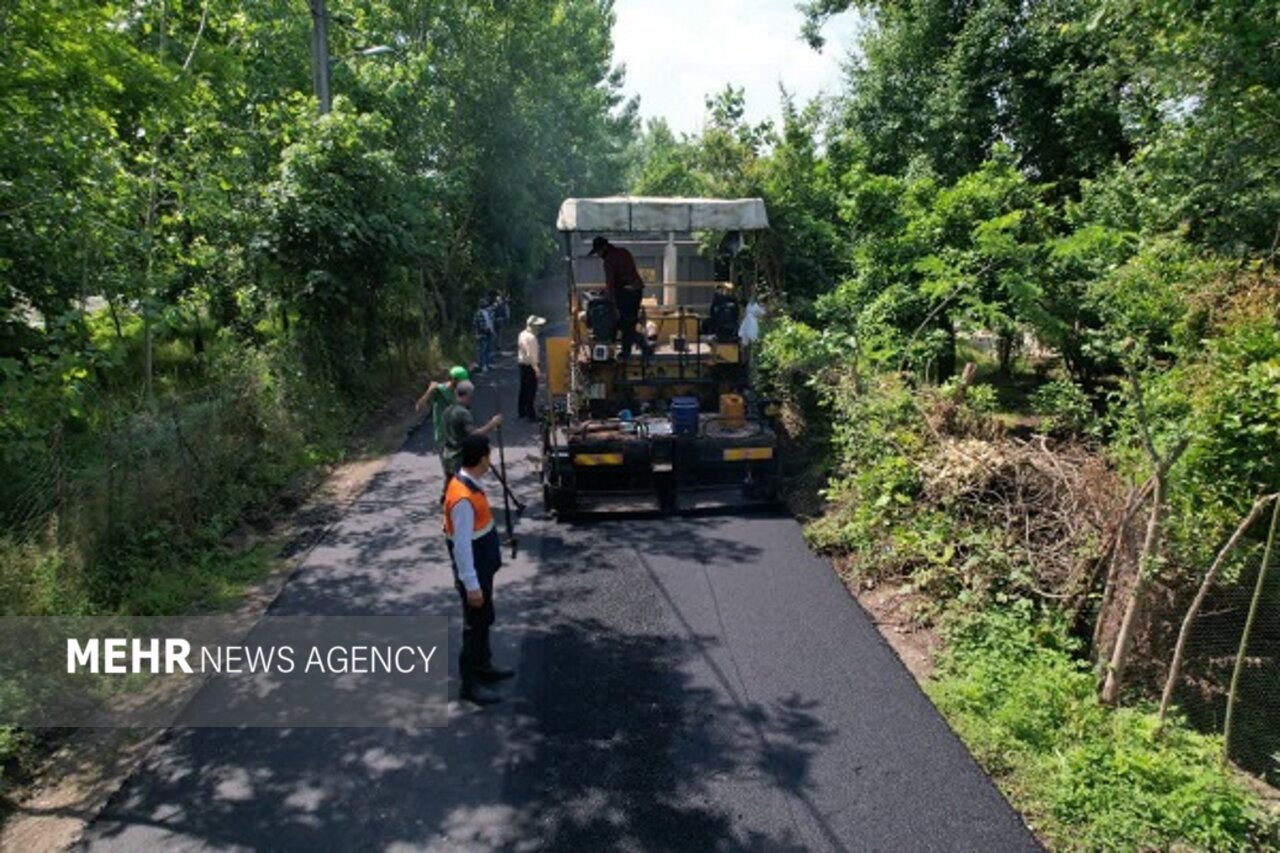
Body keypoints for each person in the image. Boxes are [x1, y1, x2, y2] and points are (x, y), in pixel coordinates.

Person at [443, 434, 515, 705]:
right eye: (488, 455)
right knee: (474, 627)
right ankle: (469, 685)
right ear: (482, 458)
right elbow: (461, 547)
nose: (490, 460)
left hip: (482, 568)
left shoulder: (468, 483)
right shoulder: (462, 498)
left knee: (484, 620)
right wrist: (471, 584)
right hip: (474, 573)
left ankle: (485, 667)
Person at [587, 236, 646, 360]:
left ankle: (629, 351)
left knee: (622, 322)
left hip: (626, 293)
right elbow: (626, 274)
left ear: (603, 248)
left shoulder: (609, 260)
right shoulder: (624, 251)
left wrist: (607, 297)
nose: (598, 255)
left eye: (598, 252)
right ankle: (640, 344)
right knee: (629, 321)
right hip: (636, 290)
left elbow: (611, 282)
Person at [441, 381, 502, 499]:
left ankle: (447, 502)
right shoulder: (463, 413)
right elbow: (474, 435)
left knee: (450, 482)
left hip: (447, 454)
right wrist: (493, 423)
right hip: (459, 456)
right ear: (467, 395)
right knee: (464, 486)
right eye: (471, 396)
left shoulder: (447, 411)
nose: (472, 399)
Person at [414, 365, 469, 463]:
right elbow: (419, 407)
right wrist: (429, 391)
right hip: (443, 438)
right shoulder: (439, 391)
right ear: (453, 380)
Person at [517, 315, 546, 421]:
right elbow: (531, 355)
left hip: (522, 364)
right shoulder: (532, 338)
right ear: (533, 326)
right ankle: (531, 414)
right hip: (530, 365)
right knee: (531, 390)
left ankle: (521, 411)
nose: (540, 328)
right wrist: (537, 370)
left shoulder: (522, 334)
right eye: (538, 326)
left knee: (523, 388)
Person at [473, 297, 495, 372]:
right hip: (482, 334)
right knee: (483, 350)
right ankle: (483, 365)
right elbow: (476, 324)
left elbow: (490, 322)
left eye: (485, 302)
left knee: (489, 349)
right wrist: (477, 333)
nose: (485, 304)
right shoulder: (478, 313)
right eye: (483, 303)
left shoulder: (488, 312)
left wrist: (492, 331)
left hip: (489, 333)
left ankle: (488, 364)